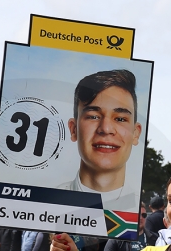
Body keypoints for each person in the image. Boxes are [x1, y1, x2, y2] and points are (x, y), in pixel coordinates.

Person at [59, 69, 142, 208]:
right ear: (74, 129)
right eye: (93, 117)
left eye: (120, 119)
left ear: (136, 133)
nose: (106, 129)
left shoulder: (141, 214)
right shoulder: (43, 205)